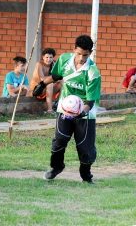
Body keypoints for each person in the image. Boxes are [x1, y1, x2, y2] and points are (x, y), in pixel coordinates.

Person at [32, 35, 101, 183]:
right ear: (74, 49)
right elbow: (55, 76)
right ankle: (56, 167)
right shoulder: (64, 60)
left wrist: (81, 112)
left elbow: (90, 101)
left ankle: (86, 175)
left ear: (90, 53)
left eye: (85, 55)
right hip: (65, 109)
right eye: (79, 53)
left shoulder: (93, 72)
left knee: (85, 148)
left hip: (85, 114)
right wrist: (42, 84)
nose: (81, 58)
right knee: (59, 140)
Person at [30, 48, 61, 114]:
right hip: (37, 90)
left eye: (51, 57)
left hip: (47, 91)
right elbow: (42, 79)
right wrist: (54, 79)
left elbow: (60, 77)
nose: (48, 59)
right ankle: (50, 110)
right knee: (49, 84)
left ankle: (59, 104)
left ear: (53, 58)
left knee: (62, 83)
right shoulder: (39, 64)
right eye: (46, 57)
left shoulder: (54, 64)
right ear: (43, 57)